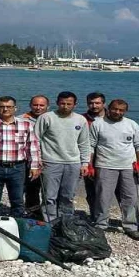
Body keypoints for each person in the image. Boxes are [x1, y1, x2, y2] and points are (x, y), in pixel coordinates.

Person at [87, 99, 139, 241]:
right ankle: (100, 224)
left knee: (130, 197)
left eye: (121, 110)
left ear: (125, 111)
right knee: (103, 197)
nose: (117, 112)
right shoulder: (98, 123)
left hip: (129, 166)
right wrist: (89, 165)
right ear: (108, 108)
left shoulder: (132, 124)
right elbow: (91, 145)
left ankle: (131, 226)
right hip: (105, 165)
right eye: (115, 109)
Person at [0, 96, 42, 217]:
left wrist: (34, 166)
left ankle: (16, 227)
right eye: (2, 107)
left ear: (15, 108)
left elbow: (32, 146)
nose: (5, 109)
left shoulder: (26, 125)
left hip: (18, 168)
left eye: (9, 107)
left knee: (17, 200)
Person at [33, 91, 91, 221]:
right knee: (49, 196)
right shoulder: (46, 117)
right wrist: (37, 160)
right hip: (50, 162)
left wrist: (85, 163)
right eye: (62, 103)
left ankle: (66, 221)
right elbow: (36, 140)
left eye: (68, 104)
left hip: (73, 163)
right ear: (57, 103)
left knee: (68, 195)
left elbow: (84, 143)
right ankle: (51, 222)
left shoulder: (81, 120)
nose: (65, 106)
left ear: (75, 104)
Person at [20, 95, 50, 219]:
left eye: (41, 105)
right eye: (35, 105)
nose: (38, 108)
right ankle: (31, 212)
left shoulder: (52, 118)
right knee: (30, 187)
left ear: (47, 106)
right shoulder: (21, 119)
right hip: (28, 160)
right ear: (30, 105)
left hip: (49, 159)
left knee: (48, 190)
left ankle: (47, 213)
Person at [81, 91, 107, 218]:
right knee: (92, 190)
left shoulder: (112, 117)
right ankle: (95, 216)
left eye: (97, 103)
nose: (94, 106)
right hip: (88, 159)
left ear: (103, 103)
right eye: (91, 103)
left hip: (109, 160)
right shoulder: (82, 119)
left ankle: (131, 221)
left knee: (119, 191)